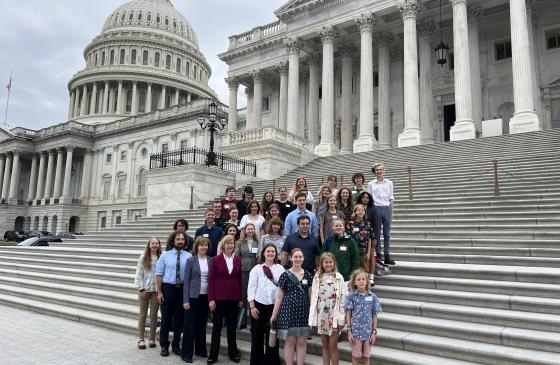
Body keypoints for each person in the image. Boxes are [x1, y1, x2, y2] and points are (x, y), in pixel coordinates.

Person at [270, 248, 313, 365]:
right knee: (289, 342)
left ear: (303, 258)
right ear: (290, 258)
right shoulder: (284, 275)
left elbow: (311, 296)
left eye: (300, 257)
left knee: (302, 342)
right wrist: (274, 314)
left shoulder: (308, 275)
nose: (298, 259)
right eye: (296, 257)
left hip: (303, 313)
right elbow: (279, 297)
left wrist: (313, 313)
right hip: (287, 312)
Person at [156, 231, 192, 357]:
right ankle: (164, 345)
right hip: (167, 288)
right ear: (173, 241)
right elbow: (159, 274)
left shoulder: (189, 256)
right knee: (166, 318)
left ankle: (176, 345)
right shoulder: (165, 255)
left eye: (182, 239)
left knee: (179, 319)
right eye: (178, 239)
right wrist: (159, 291)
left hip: (182, 289)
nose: (180, 241)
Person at [207, 235, 242, 364]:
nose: (230, 245)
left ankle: (233, 353)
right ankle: (213, 355)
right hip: (218, 298)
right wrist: (211, 299)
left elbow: (239, 280)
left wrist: (240, 298)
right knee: (217, 328)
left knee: (232, 328)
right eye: (227, 243)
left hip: (233, 298)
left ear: (234, 245)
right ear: (223, 245)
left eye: (232, 243)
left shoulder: (237, 260)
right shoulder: (216, 260)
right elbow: (210, 281)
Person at [248, 244, 284, 365]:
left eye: (272, 251)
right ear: (263, 253)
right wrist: (252, 307)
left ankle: (271, 362)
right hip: (259, 306)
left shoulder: (280, 269)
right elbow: (251, 288)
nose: (270, 253)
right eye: (268, 251)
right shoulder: (257, 269)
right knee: (257, 337)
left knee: (273, 337)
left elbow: (284, 288)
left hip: (274, 307)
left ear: (275, 254)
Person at [308, 253, 346, 365]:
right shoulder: (317, 276)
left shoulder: (338, 277)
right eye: (326, 262)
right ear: (322, 263)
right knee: (324, 345)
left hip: (333, 316)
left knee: (333, 346)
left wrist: (341, 319)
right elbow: (314, 297)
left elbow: (342, 298)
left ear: (334, 263)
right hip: (322, 316)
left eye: (330, 262)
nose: (328, 264)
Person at [182, 236, 212, 364]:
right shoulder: (190, 260)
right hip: (193, 297)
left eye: (206, 245)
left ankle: (200, 349)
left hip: (206, 297)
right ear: (196, 246)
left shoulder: (211, 260)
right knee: (190, 326)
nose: (204, 247)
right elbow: (186, 282)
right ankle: (187, 353)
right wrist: (185, 300)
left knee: (201, 324)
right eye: (201, 245)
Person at [345, 269, 382, 365]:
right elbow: (348, 314)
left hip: (368, 332)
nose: (361, 281)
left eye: (363, 279)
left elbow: (374, 315)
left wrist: (374, 332)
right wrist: (349, 332)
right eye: (358, 279)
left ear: (367, 281)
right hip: (355, 332)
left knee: (367, 356)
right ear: (354, 282)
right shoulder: (351, 296)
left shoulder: (373, 296)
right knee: (355, 356)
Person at [135, 237, 162, 350]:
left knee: (154, 316)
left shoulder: (161, 257)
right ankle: (141, 339)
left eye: (156, 243)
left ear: (159, 245)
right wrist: (141, 289)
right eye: (152, 243)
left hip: (156, 291)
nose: (154, 245)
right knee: (142, 315)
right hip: (145, 290)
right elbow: (138, 275)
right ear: (149, 245)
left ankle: (152, 338)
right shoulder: (143, 258)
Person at [367, 162, 395, 265]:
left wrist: (390, 212)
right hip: (376, 208)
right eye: (377, 170)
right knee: (377, 234)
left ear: (383, 171)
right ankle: (378, 255)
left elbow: (391, 198)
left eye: (381, 169)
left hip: (386, 208)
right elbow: (369, 199)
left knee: (387, 234)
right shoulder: (371, 184)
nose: (379, 171)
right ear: (375, 172)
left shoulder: (389, 183)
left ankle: (387, 255)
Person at [235, 223, 260, 328]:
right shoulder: (239, 243)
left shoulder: (257, 242)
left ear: (254, 230)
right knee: (244, 296)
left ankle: (253, 321)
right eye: (248, 229)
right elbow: (236, 256)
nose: (250, 230)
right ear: (245, 231)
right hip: (243, 271)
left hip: (255, 271)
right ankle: (242, 320)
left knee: (254, 295)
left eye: (252, 229)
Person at [322, 218, 360, 283]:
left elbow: (355, 260)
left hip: (346, 278)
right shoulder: (328, 240)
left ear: (344, 227)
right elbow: (322, 257)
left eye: (340, 225)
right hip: (330, 277)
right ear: (332, 228)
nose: (338, 227)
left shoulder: (351, 241)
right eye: (336, 226)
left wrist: (352, 276)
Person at [346, 205, 375, 284]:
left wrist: (368, 252)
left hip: (364, 252)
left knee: (364, 270)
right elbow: (347, 238)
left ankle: (364, 288)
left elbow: (370, 239)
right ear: (355, 212)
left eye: (362, 210)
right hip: (353, 251)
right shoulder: (350, 224)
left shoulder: (368, 224)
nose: (361, 212)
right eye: (358, 210)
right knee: (354, 270)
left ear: (365, 212)